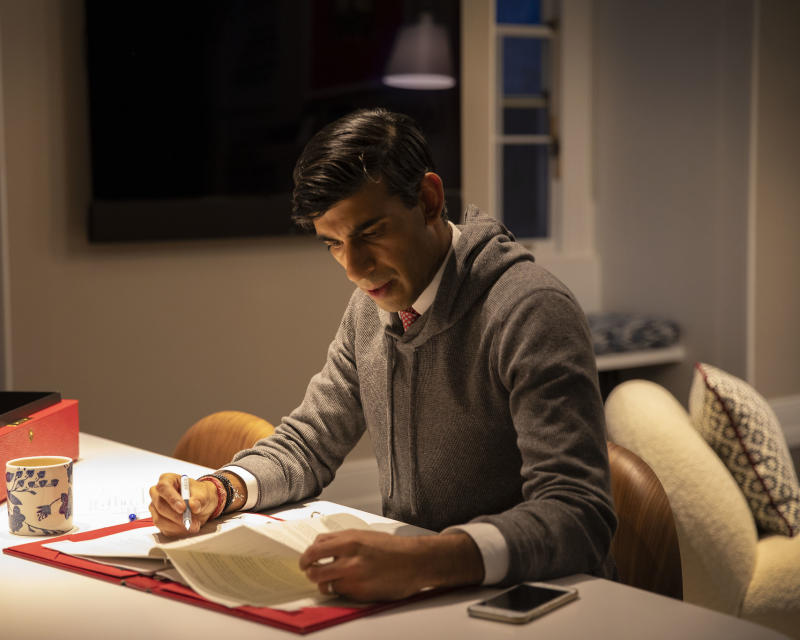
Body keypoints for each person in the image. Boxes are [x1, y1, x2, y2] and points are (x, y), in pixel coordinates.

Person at [149, 107, 616, 602]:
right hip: (429, 597)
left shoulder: (530, 310)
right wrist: (219, 490)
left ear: (429, 199)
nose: (354, 267)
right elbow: (309, 443)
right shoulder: (371, 308)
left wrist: (426, 561)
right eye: (333, 243)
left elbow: (578, 515)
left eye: (370, 233)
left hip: (544, 605)